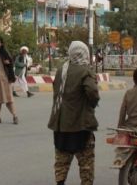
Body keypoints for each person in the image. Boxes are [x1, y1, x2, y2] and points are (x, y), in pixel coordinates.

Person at [47, 41, 99, 185]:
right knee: (86, 161)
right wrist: (92, 104)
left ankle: (60, 182)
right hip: (80, 124)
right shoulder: (85, 71)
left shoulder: (61, 70)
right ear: (85, 54)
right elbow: (92, 92)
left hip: (60, 124)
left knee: (61, 159)